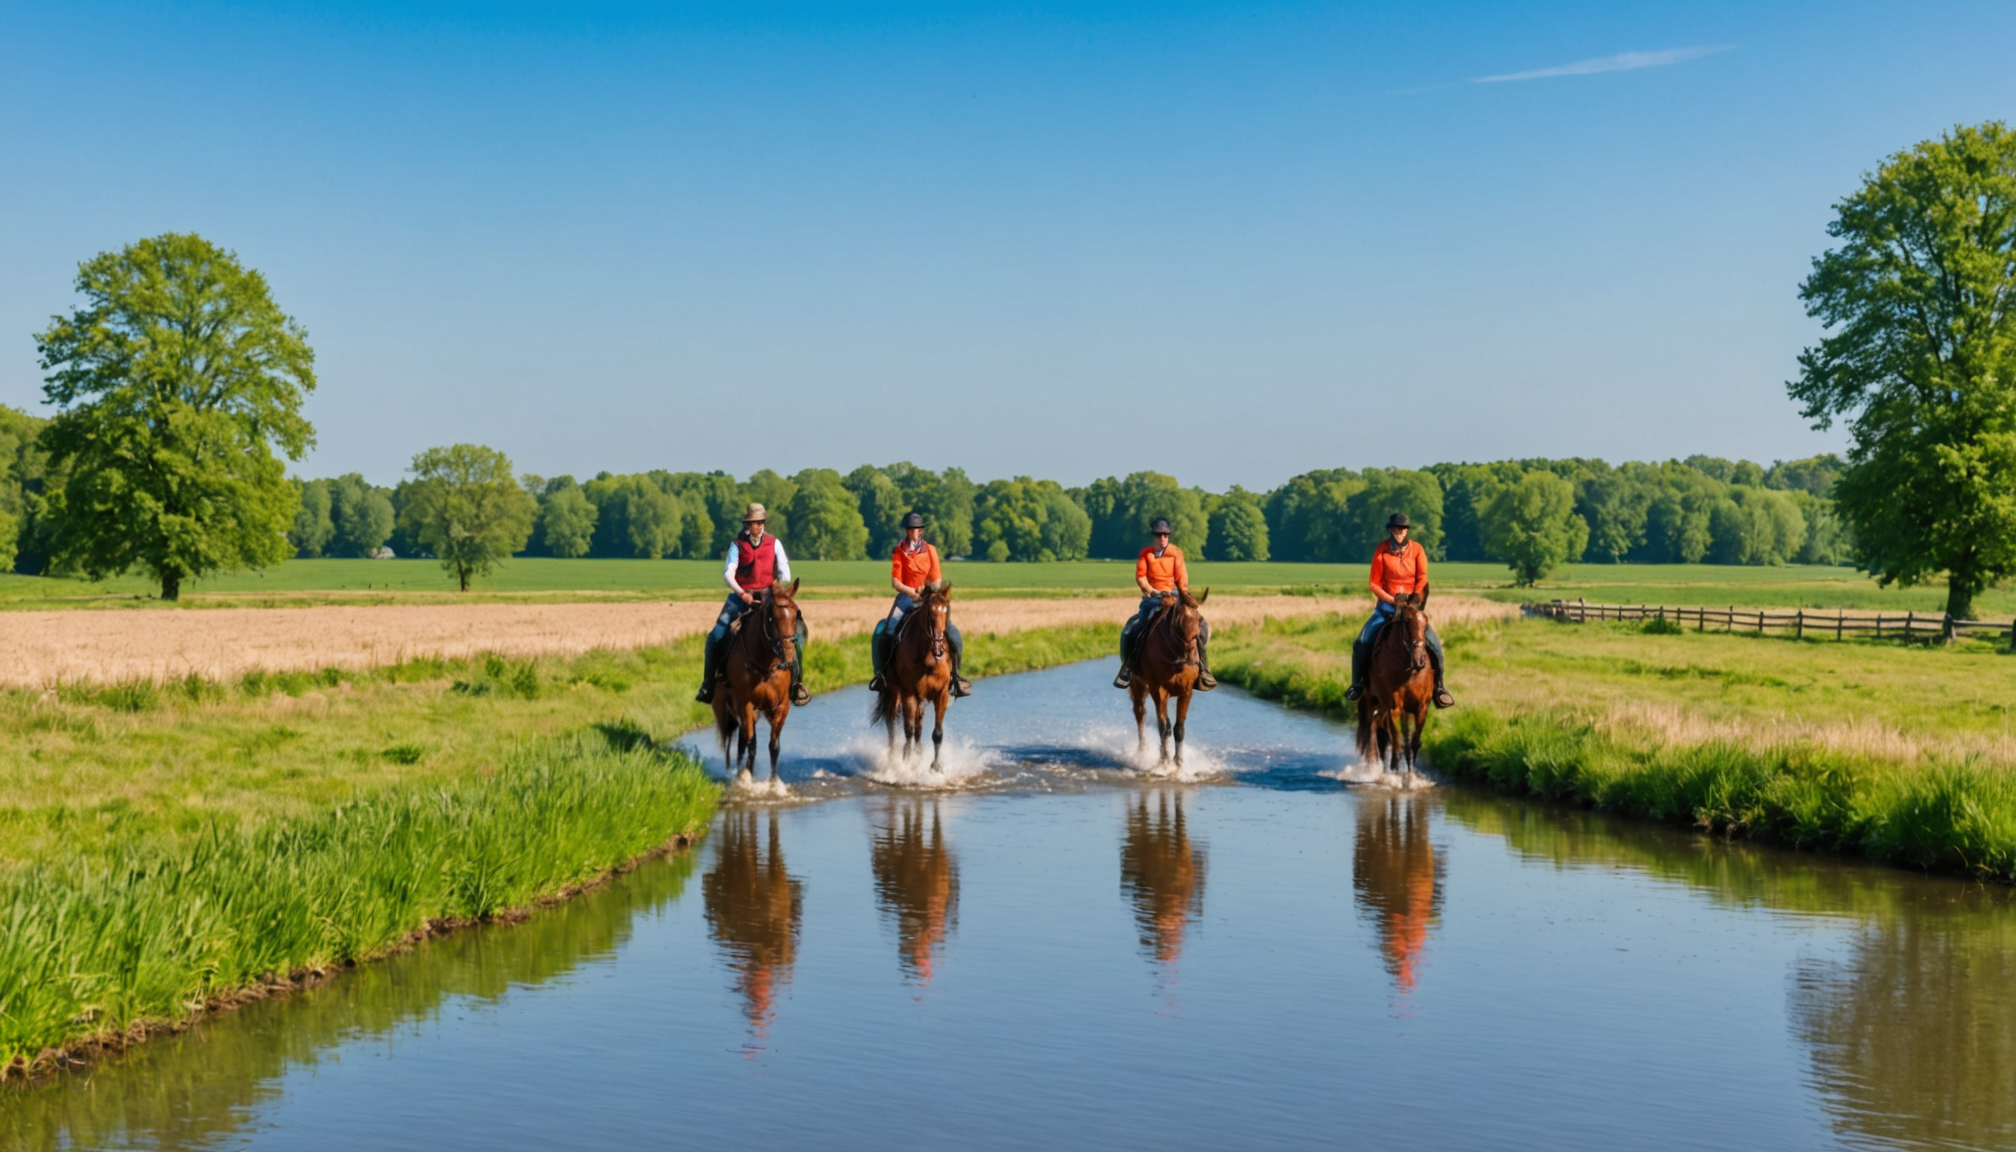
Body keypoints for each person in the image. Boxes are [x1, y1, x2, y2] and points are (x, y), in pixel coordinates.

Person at [696, 502, 811, 706]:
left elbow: (785, 569)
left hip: (769, 596)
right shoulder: (736, 545)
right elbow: (728, 574)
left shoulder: (774, 543)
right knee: (715, 636)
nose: (756, 526)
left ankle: (796, 684)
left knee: (795, 634)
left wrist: (777, 584)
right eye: (752, 523)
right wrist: (742, 593)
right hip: (741, 597)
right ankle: (709, 684)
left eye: (759, 522)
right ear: (746, 525)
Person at [1344, 513, 1454, 709]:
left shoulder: (1417, 550)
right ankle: (1358, 684)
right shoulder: (1381, 551)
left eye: (1403, 529)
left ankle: (1439, 688)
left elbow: (1422, 577)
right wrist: (1391, 600)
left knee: (1435, 646)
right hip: (1386, 609)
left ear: (1407, 531)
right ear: (1391, 530)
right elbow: (1374, 584)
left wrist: (1415, 599)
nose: (1400, 532)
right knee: (1361, 642)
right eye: (1397, 528)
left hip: (1412, 609)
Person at [870, 512, 972, 697]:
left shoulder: (930, 550)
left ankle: (955, 677)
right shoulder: (899, 550)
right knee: (886, 630)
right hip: (906, 597)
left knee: (951, 632)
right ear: (907, 531)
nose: (914, 532)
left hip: (928, 598)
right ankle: (882, 675)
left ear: (922, 531)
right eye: (910, 529)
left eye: (917, 529)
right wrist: (912, 592)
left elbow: (937, 577)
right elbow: (896, 582)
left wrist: (930, 591)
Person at [1113, 518, 1215, 691]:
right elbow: (1141, 577)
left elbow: (1182, 579)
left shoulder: (1176, 553)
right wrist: (1151, 590)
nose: (1163, 538)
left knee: (1199, 625)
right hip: (1153, 597)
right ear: (1154, 536)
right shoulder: (1146, 554)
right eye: (1159, 535)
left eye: (1166, 535)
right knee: (1135, 627)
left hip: (1175, 596)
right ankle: (1129, 667)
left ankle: (1203, 669)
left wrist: (1182, 594)